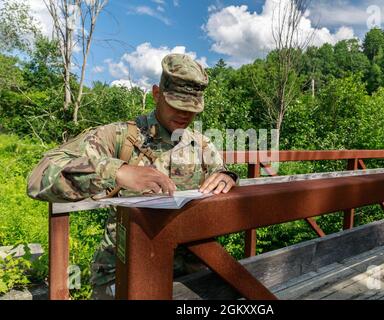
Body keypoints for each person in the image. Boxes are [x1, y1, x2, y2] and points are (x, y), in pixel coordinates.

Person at [27, 53, 238, 299]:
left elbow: (221, 173)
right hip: (122, 272)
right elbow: (38, 178)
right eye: (176, 105)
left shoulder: (200, 144)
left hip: (189, 271)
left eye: (192, 110)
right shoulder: (119, 137)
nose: (184, 115)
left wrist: (227, 176)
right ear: (157, 94)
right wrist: (116, 171)